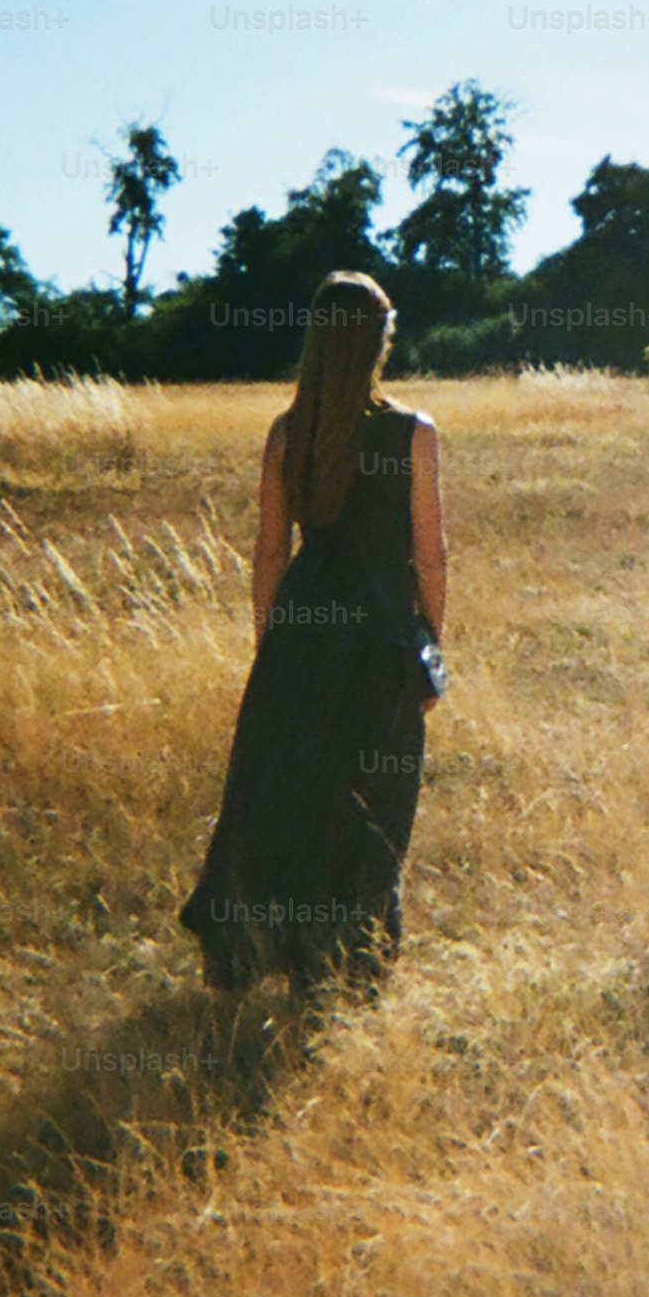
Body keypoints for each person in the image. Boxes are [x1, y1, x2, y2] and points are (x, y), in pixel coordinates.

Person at [179, 272, 448, 1007]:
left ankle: (272, 950)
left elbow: (270, 552)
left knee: (289, 798)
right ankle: (354, 967)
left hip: (301, 635)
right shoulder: (411, 434)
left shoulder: (286, 434)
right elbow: (430, 555)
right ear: (377, 341)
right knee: (373, 805)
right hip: (382, 641)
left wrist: (273, 650)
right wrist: (430, 650)